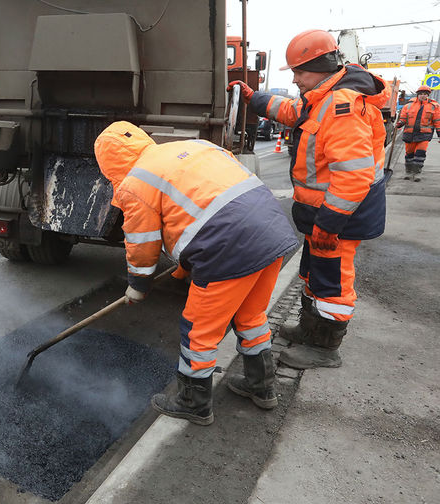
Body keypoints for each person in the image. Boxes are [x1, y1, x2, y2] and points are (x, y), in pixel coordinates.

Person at [94, 121, 298, 426]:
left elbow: (142, 242)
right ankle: (262, 386)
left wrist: (138, 285)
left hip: (229, 246)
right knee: (251, 316)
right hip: (271, 232)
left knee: (199, 329)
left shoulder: (137, 181)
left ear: (109, 164)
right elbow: (201, 207)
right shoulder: (192, 147)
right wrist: (182, 269)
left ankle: (193, 401)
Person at [230, 29, 391, 369]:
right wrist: (254, 99)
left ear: (321, 66)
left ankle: (324, 347)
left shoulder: (341, 107)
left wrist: (329, 224)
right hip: (327, 214)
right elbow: (293, 111)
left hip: (341, 217)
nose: (296, 79)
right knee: (314, 272)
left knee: (333, 281)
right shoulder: (324, 97)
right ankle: (309, 328)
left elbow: (353, 176)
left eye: (300, 72)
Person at [396, 85, 440, 181]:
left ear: (428, 95)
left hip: (424, 134)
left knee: (420, 154)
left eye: (425, 94)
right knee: (409, 154)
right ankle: (408, 171)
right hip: (409, 134)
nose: (423, 96)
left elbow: (437, 121)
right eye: (421, 94)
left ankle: (417, 173)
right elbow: (403, 118)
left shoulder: (434, 106)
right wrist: (399, 123)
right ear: (417, 95)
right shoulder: (408, 106)